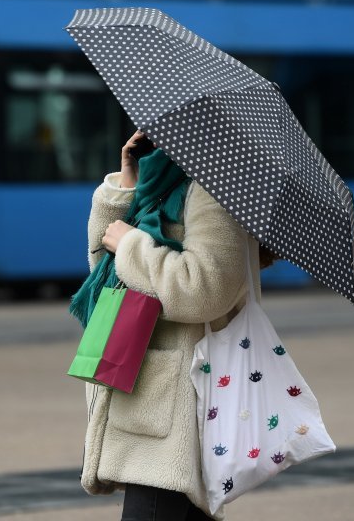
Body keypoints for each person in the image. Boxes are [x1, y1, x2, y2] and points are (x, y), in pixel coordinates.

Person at [70, 130, 274, 521]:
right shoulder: (164, 180)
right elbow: (105, 270)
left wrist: (132, 245)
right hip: (149, 395)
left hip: (178, 405)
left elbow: (205, 288)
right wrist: (127, 186)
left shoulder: (213, 190)